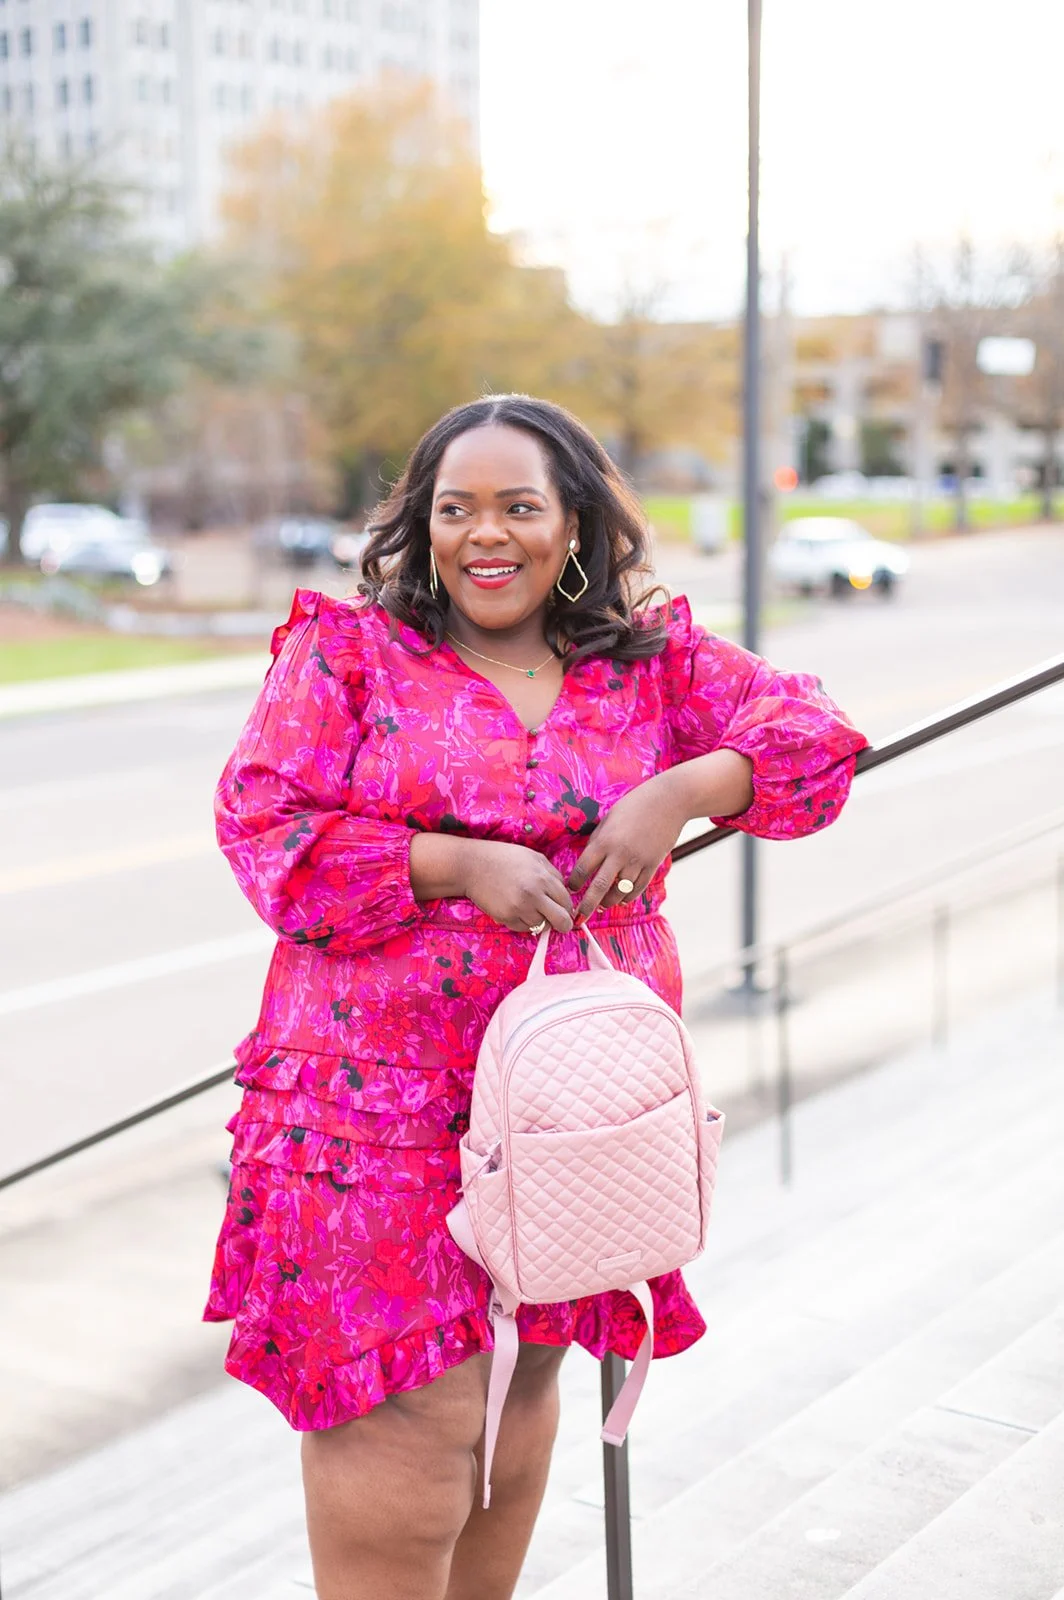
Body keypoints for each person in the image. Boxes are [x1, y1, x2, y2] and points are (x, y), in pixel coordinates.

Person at [205, 395, 867, 1600]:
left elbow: (813, 736)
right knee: (407, 1418)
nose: (483, 536)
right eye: (454, 509)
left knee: (525, 1384)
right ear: (421, 524)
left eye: (519, 506)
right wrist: (450, 863)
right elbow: (263, 827)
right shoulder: (346, 655)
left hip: (574, 1099)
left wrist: (679, 790)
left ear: (574, 526)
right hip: (377, 1106)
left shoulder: (648, 663)